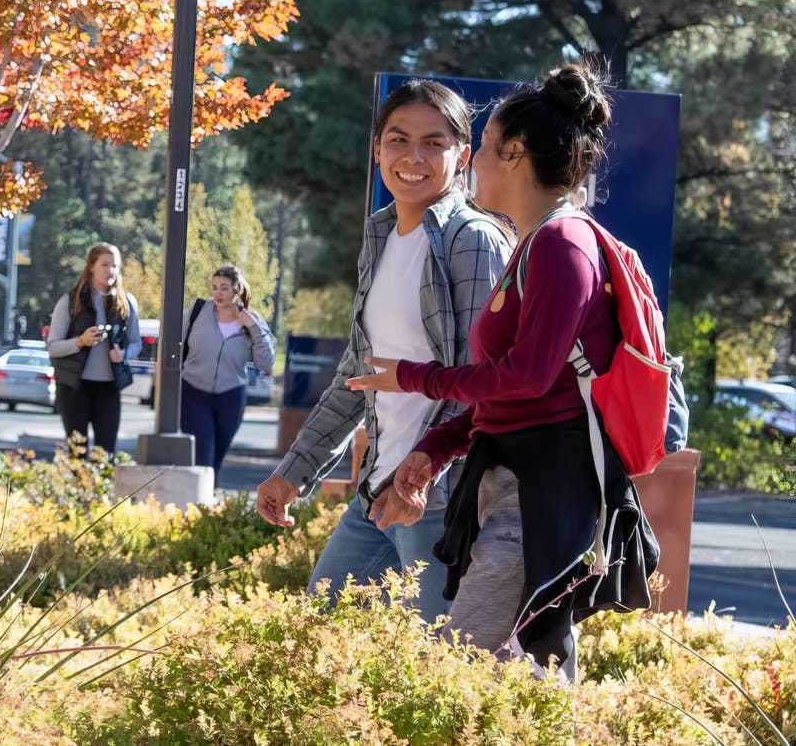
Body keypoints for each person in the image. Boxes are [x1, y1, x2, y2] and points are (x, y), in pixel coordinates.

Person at [346, 61, 658, 676]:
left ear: (514, 154)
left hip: (541, 494)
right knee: (523, 673)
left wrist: (416, 376)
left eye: (483, 146)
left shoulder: (563, 246)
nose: (474, 162)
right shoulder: (535, 244)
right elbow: (518, 395)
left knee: (466, 672)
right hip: (515, 486)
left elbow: (527, 378)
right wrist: (435, 448)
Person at [255, 79, 512, 623]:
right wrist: (295, 472)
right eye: (397, 140)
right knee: (317, 635)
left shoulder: (473, 240)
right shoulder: (380, 235)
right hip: (379, 486)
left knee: (442, 664)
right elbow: (358, 375)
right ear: (377, 151)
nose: (412, 156)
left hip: (437, 494)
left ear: (462, 155)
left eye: (434, 143)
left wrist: (421, 477)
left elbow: (482, 384)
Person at [180, 264, 276, 478]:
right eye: (214, 287)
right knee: (203, 452)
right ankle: (198, 503)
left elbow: (266, 363)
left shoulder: (253, 321)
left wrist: (253, 326)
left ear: (237, 289)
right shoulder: (198, 312)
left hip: (231, 395)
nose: (217, 293)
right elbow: (174, 341)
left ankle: (208, 501)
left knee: (217, 456)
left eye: (224, 288)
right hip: (193, 390)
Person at [46, 242, 142, 457]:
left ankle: (100, 491)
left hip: (109, 388)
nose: (110, 271)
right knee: (77, 454)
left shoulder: (127, 303)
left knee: (105, 454)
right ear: (91, 266)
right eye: (105, 264)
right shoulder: (70, 301)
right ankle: (76, 490)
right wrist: (80, 341)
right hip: (74, 387)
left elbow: (137, 343)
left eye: (115, 266)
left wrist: (123, 354)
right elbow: (53, 347)